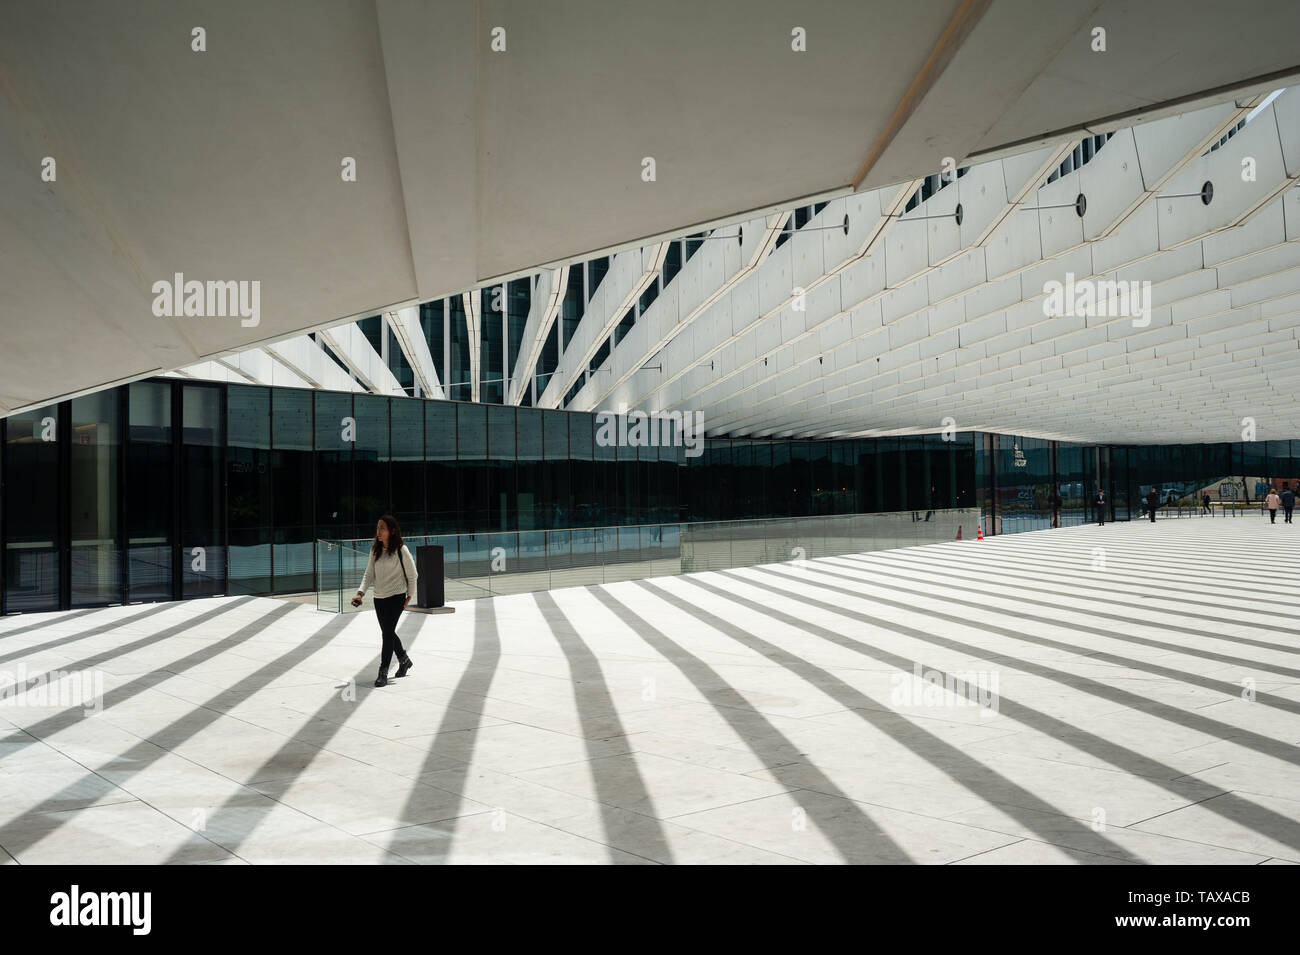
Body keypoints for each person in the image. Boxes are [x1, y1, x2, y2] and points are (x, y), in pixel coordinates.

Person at [352, 514, 418, 687]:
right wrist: (360, 593)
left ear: (392, 531)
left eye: (382, 528)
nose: (378, 531)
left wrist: (409, 596)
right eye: (378, 528)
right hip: (379, 598)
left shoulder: (401, 550)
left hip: (397, 597)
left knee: (387, 633)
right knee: (388, 632)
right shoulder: (375, 551)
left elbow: (413, 575)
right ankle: (404, 659)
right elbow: (369, 574)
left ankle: (383, 671)